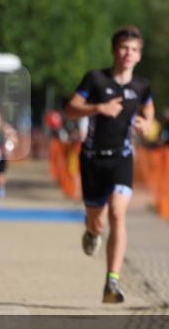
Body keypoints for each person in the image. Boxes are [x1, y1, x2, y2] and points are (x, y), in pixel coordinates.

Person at [65, 26, 153, 304]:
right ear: (115, 51)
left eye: (135, 50)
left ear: (140, 55)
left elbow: (148, 107)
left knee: (118, 212)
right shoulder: (95, 79)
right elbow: (70, 108)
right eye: (124, 48)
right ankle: (92, 231)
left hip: (122, 158)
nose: (129, 54)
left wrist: (146, 122)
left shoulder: (142, 85)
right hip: (92, 158)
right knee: (97, 219)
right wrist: (97, 108)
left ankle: (111, 281)